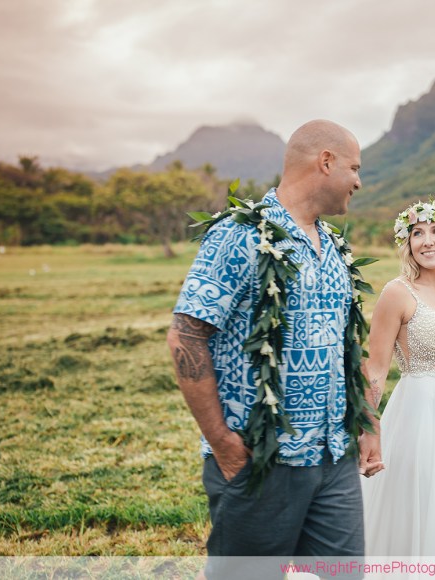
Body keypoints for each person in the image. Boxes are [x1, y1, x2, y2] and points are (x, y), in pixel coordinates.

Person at [167, 119, 377, 579]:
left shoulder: (335, 246)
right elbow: (186, 334)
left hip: (332, 457)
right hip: (261, 459)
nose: (358, 181)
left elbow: (349, 345)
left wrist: (367, 425)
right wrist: (224, 444)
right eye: (354, 168)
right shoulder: (239, 234)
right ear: (325, 162)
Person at [360, 200, 435, 560]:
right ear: (408, 243)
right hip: (419, 415)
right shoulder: (397, 293)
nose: (427, 241)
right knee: (425, 504)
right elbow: (376, 369)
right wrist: (368, 425)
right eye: (417, 233)